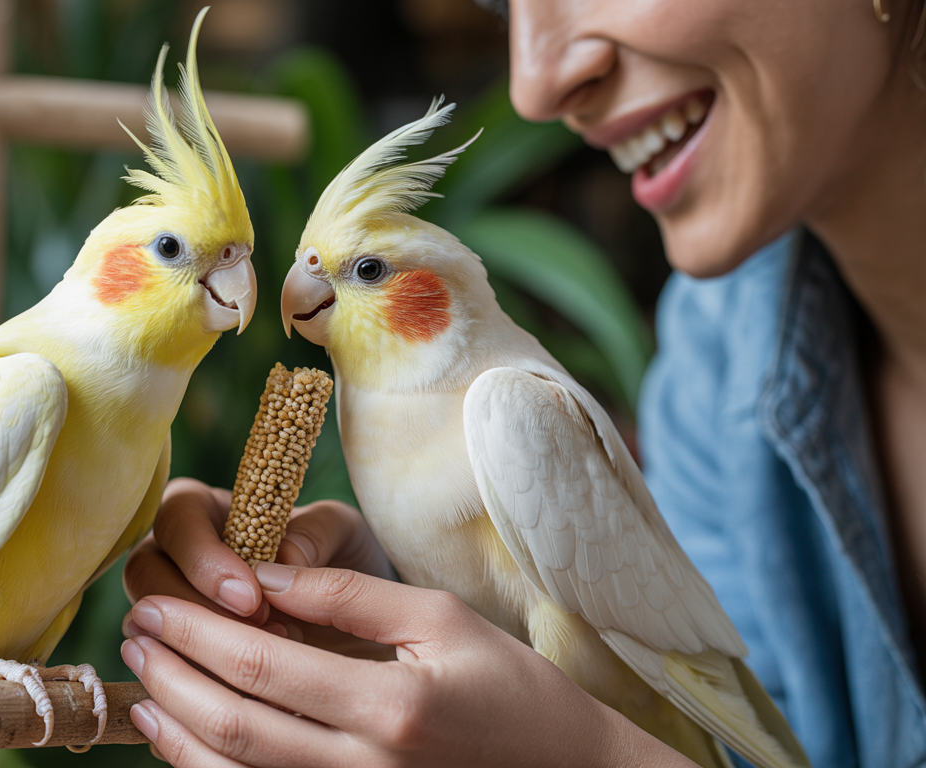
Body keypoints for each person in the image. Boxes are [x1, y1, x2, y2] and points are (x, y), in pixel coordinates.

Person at [115, 0, 926, 765]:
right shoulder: (712, 367)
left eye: (367, 272)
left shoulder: (512, 408)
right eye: (502, 4)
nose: (535, 85)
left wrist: (598, 757)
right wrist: (382, 627)